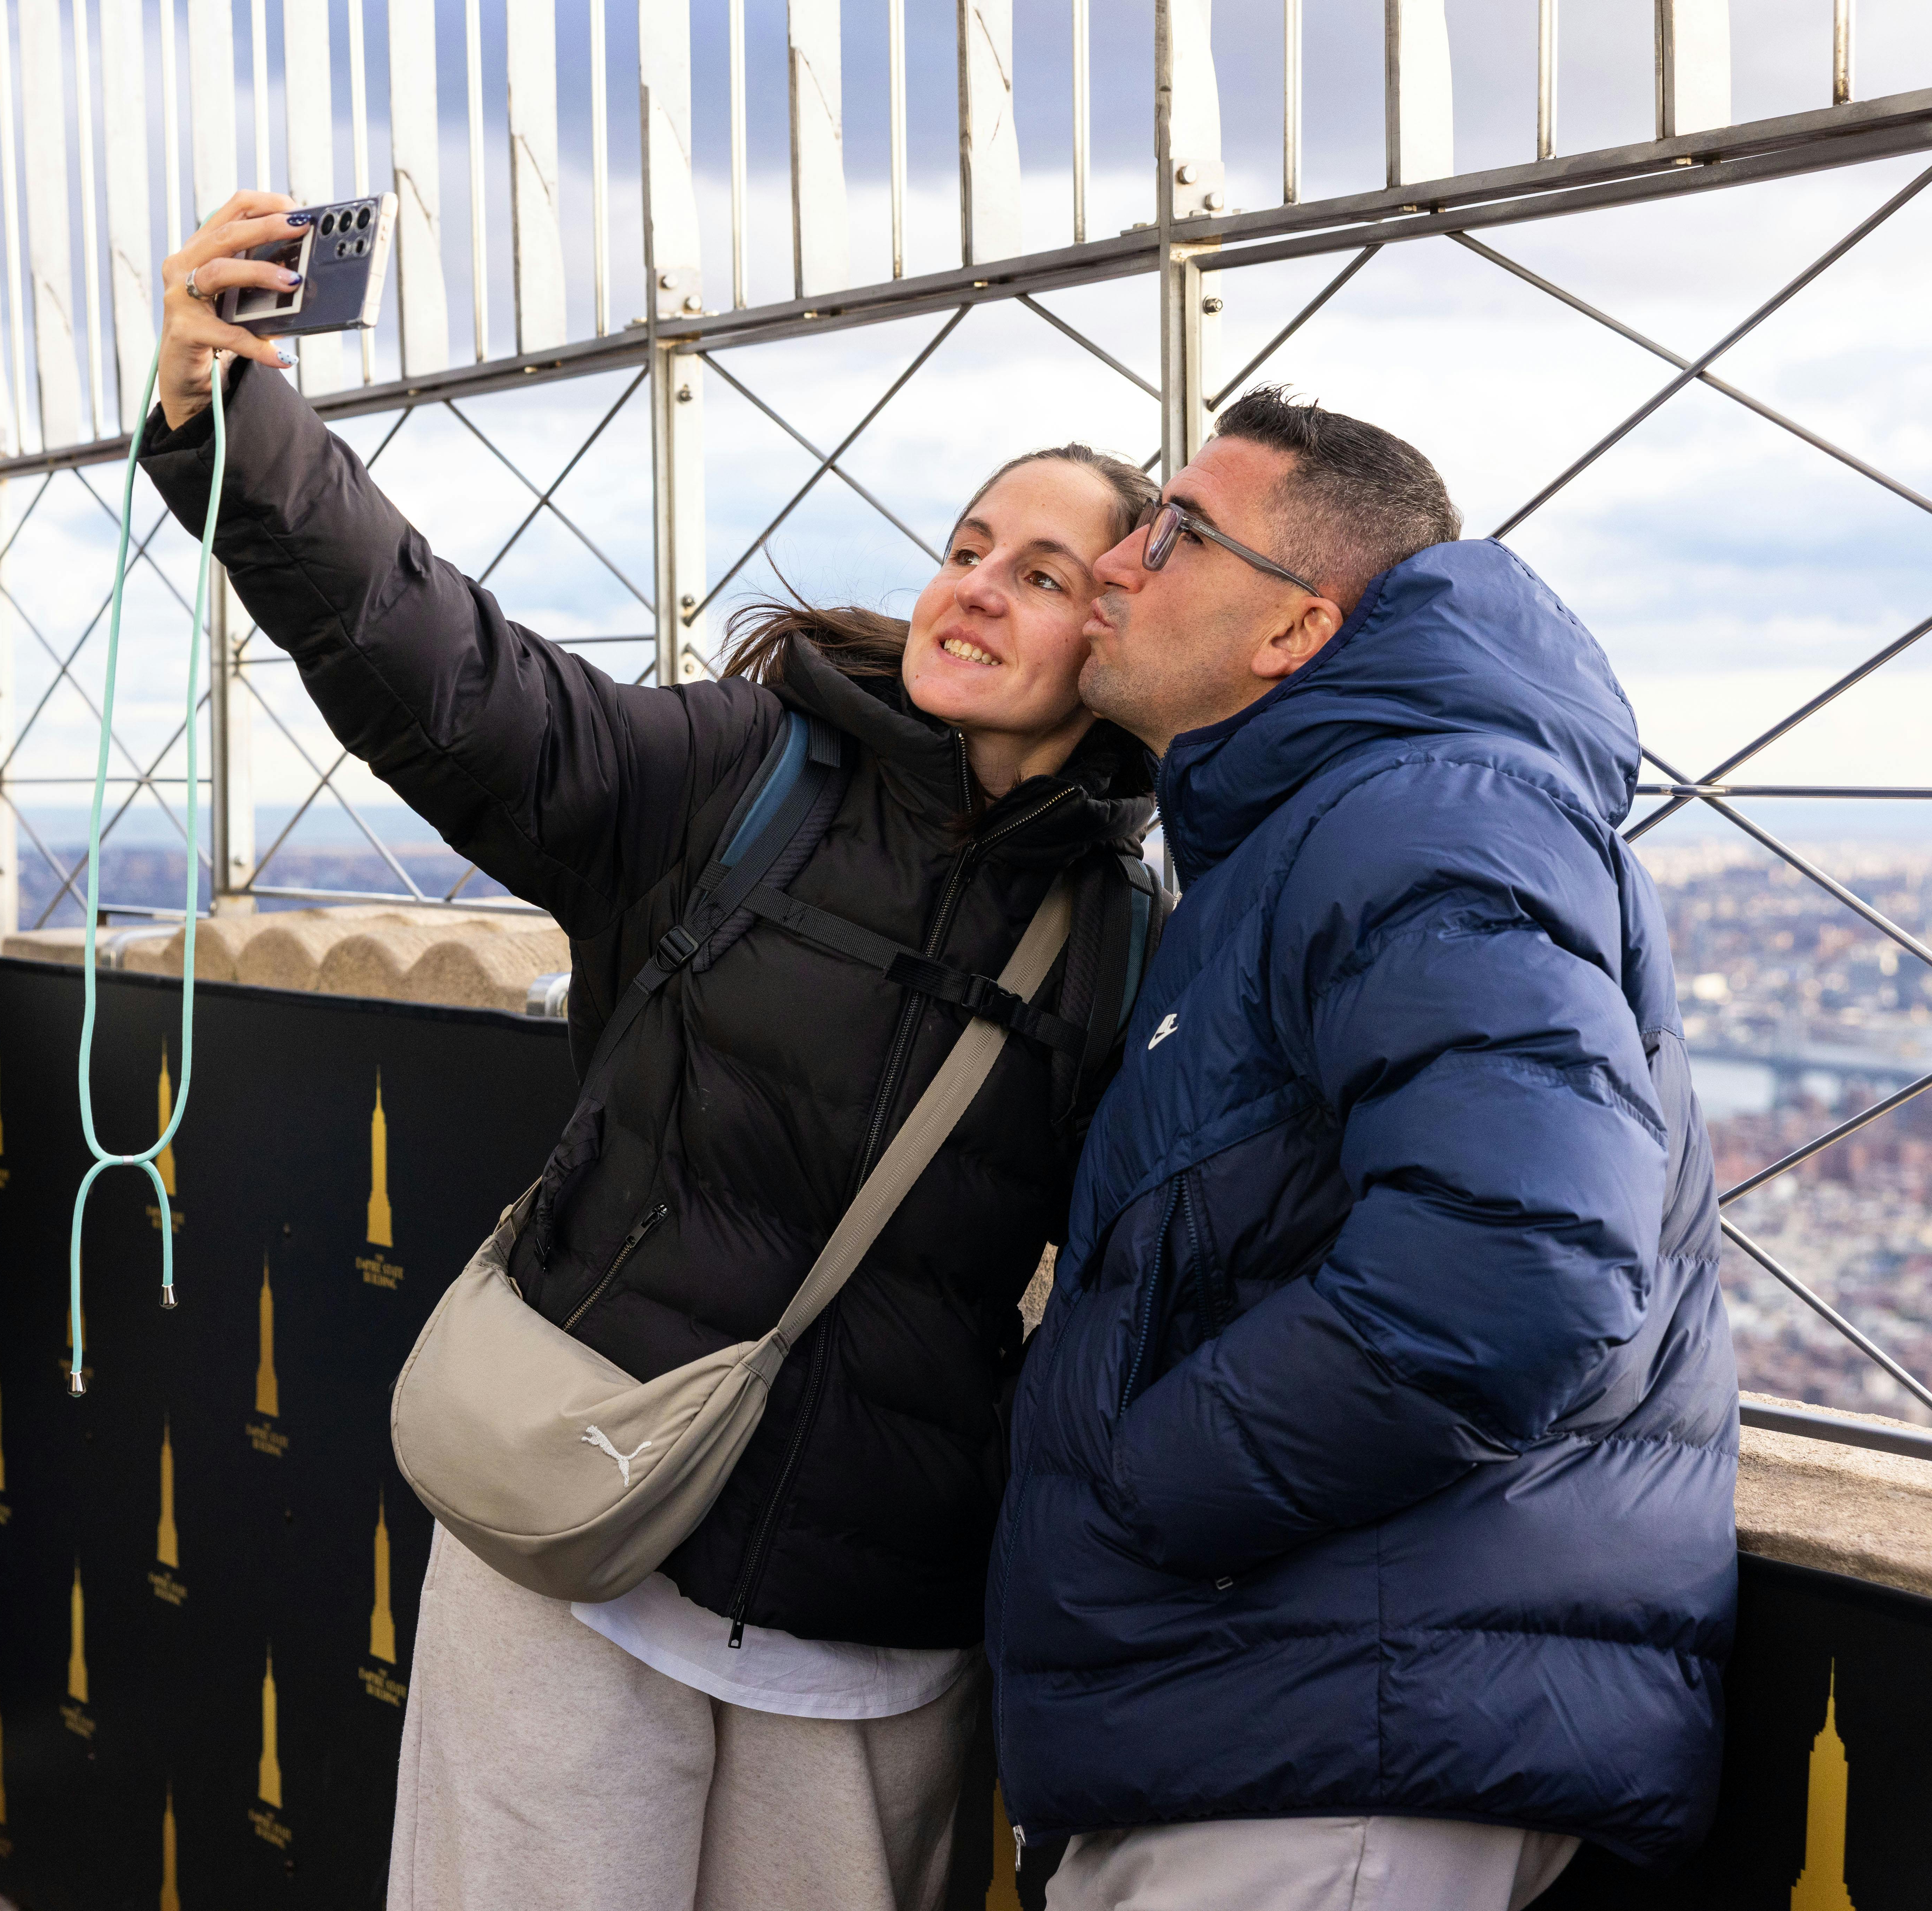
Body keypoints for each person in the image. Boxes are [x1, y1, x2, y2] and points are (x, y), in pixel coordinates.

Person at [148, 196, 1161, 1911]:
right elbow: (459, 682)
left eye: (1042, 574)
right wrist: (234, 426)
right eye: (969, 542)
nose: (975, 588)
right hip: (576, 1560)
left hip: (872, 1631)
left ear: (1114, 642)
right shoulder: (751, 770)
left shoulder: (1126, 940)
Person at [989, 389, 1733, 1911]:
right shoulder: (1334, 826)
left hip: (1325, 1742)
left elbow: (1519, 1267)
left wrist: (1151, 1487)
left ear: (1291, 633)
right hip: (1300, 1712)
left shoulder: (1413, 817)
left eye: (1175, 532)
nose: (1119, 562)